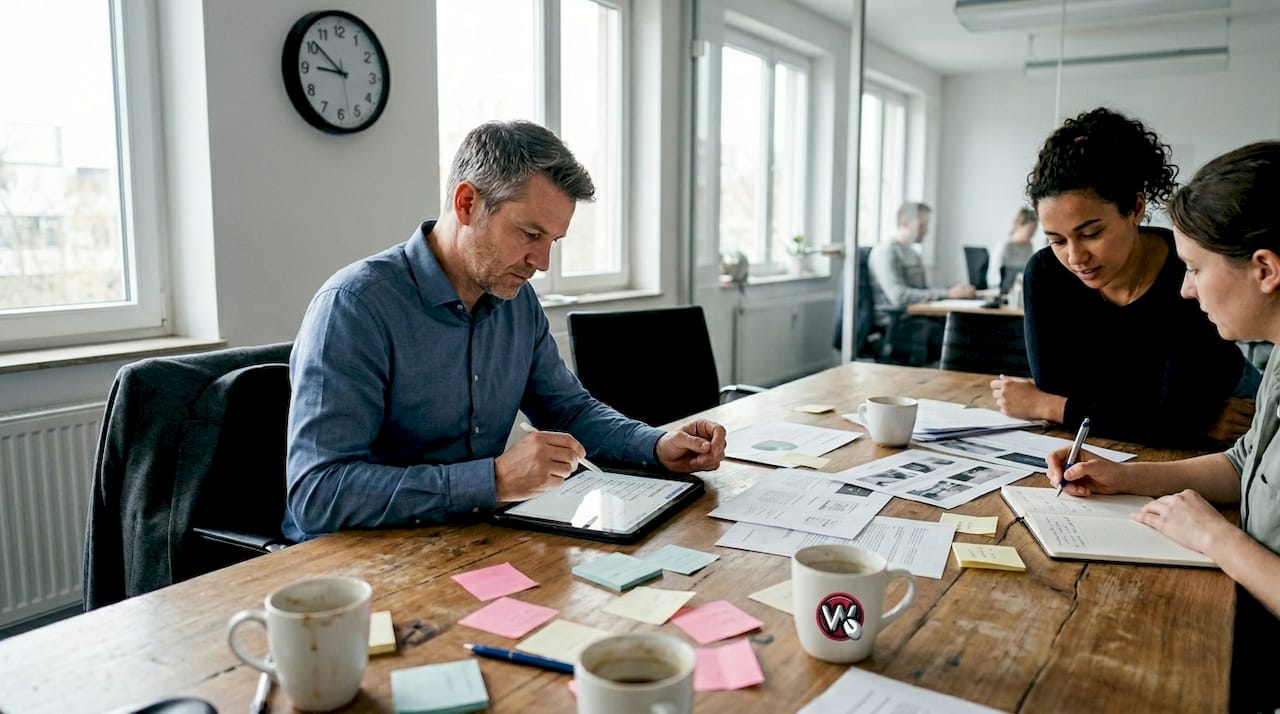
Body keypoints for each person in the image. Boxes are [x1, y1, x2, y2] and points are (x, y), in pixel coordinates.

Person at [284, 120, 727, 541]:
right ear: (466, 203)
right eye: (529, 233)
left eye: (552, 241)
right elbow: (318, 493)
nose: (543, 262)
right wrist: (492, 480)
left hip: (472, 537)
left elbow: (568, 411)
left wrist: (657, 444)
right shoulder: (355, 307)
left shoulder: (519, 302)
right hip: (355, 564)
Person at [1048, 141, 1280, 713]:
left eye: (1197, 268)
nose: (1186, 288)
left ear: (1265, 270)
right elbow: (1241, 462)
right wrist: (1128, 477)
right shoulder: (1276, 360)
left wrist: (1215, 537)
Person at [991, 107, 1259, 448]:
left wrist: (1049, 406)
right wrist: (1186, 420)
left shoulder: (1187, 271)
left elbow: (1172, 414)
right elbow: (1061, 389)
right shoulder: (1045, 273)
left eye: (1091, 233)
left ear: (1135, 209)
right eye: (1056, 240)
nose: (1075, 257)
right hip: (1164, 425)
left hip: (1231, 411)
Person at [868, 201, 977, 365]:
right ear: (905, 223)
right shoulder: (885, 252)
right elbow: (898, 296)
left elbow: (923, 291)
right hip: (897, 323)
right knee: (957, 336)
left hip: (918, 317)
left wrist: (952, 291)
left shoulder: (912, 253)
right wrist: (946, 294)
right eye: (922, 225)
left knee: (965, 325)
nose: (926, 231)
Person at [991, 206, 1037, 294]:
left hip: (1020, 292)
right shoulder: (1005, 245)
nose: (1032, 234)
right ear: (1020, 225)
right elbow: (993, 276)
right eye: (1030, 230)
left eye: (1034, 230)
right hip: (1001, 292)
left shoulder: (1029, 246)